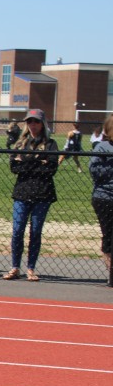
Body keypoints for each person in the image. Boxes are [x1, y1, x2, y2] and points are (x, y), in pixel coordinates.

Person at [4, 110, 58, 282]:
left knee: (35, 232)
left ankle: (31, 268)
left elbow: (51, 169)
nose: (33, 125)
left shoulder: (50, 144)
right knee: (17, 230)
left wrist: (26, 161)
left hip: (42, 192)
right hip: (22, 191)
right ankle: (15, 267)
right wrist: (38, 162)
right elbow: (14, 167)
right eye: (30, 121)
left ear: (42, 124)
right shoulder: (20, 143)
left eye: (36, 121)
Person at [89, 114, 113, 280]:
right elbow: (95, 171)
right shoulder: (102, 147)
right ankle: (111, 273)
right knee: (109, 235)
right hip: (104, 197)